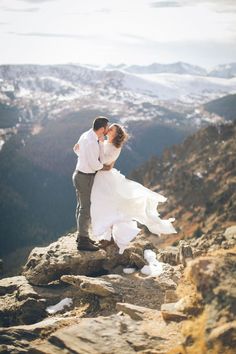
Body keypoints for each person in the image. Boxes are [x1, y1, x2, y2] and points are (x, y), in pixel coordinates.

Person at [75, 123, 178, 254]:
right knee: (103, 207)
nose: (108, 130)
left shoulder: (114, 147)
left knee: (108, 207)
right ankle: (106, 236)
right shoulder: (107, 143)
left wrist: (99, 146)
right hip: (101, 177)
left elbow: (103, 161)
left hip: (105, 179)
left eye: (111, 129)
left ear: (116, 134)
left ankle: (110, 237)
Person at [72, 116, 111, 251]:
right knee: (86, 209)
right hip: (85, 177)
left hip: (79, 175)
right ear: (102, 128)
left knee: (81, 207)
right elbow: (94, 165)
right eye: (107, 127)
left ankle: (81, 235)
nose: (108, 129)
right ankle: (83, 241)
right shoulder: (91, 142)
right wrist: (104, 167)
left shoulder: (86, 135)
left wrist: (84, 156)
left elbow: (76, 149)